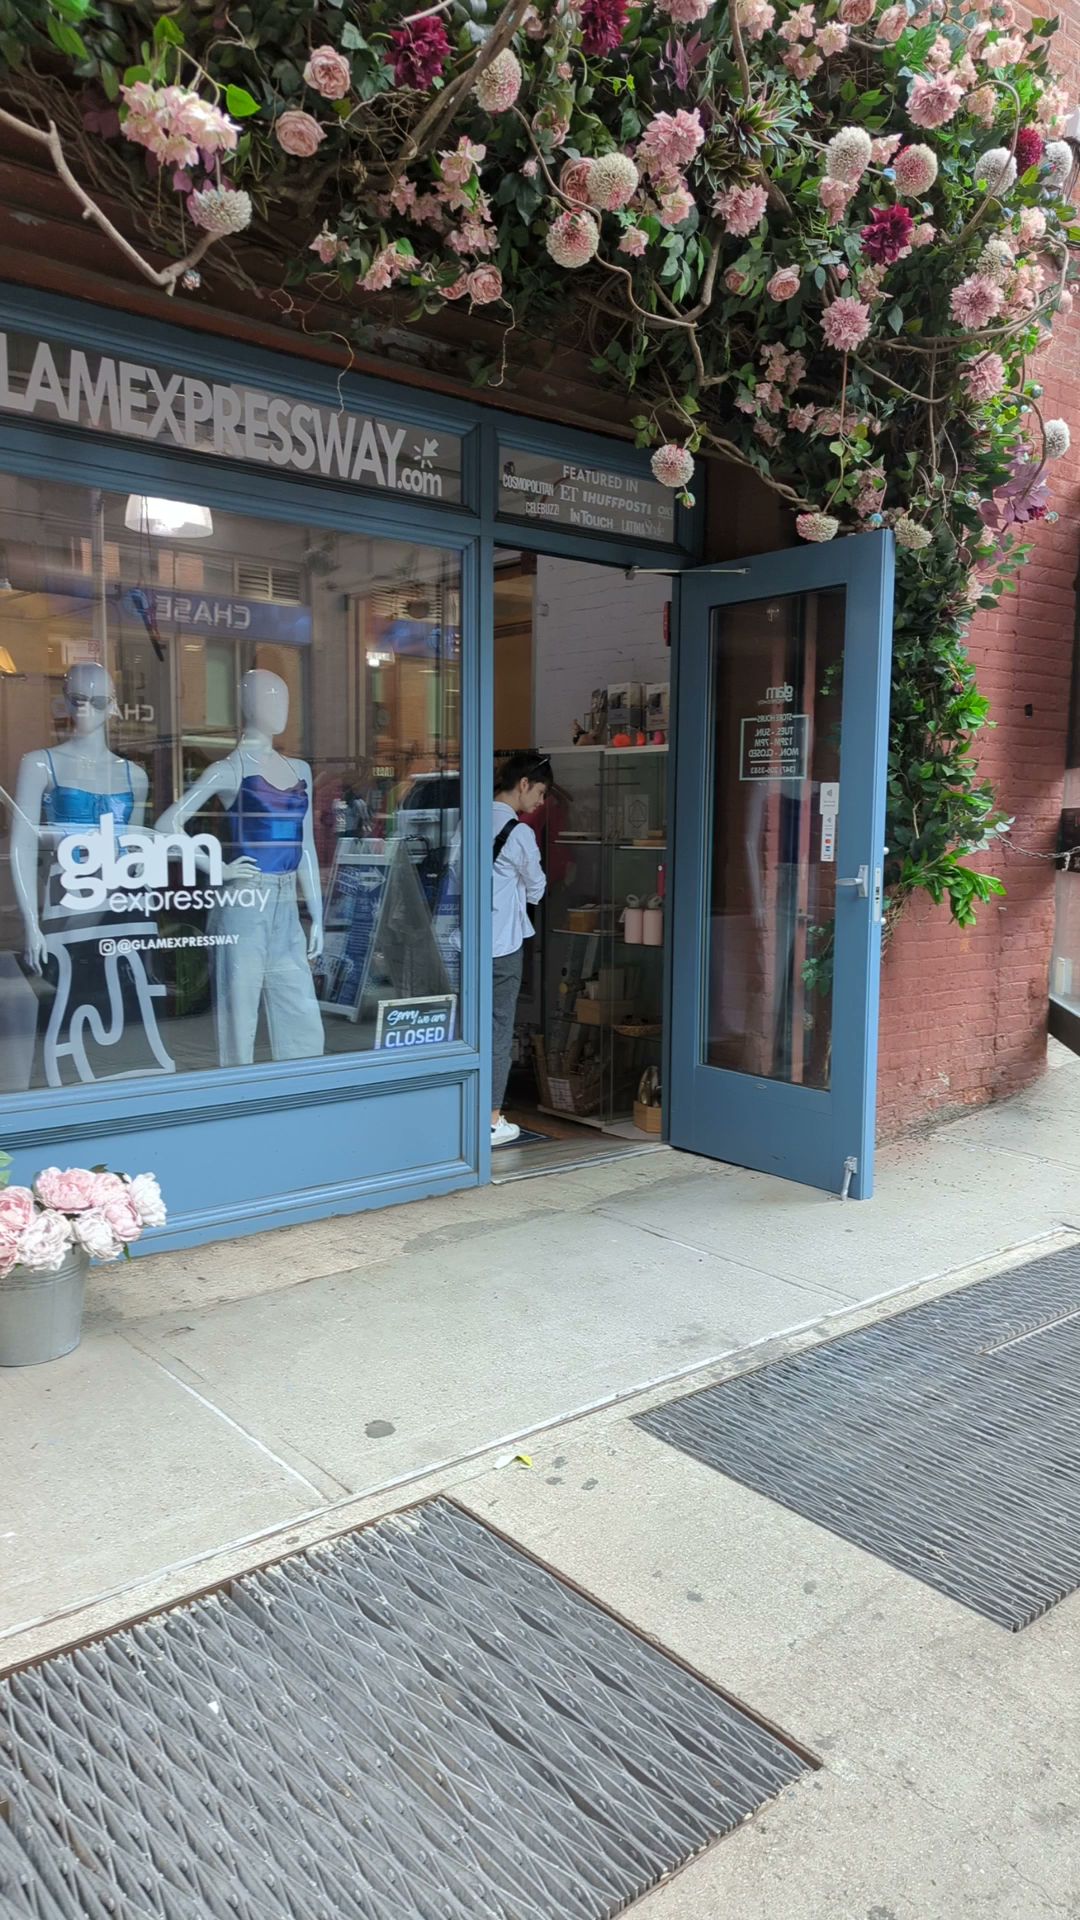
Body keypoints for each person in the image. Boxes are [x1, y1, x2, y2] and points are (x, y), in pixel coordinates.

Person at [491, 750, 551, 1146]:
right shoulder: (520, 832)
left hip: (461, 943)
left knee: (467, 1028)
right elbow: (537, 888)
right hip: (502, 944)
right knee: (498, 1029)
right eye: (540, 792)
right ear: (524, 784)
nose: (541, 802)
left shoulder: (469, 818)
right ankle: (491, 1119)